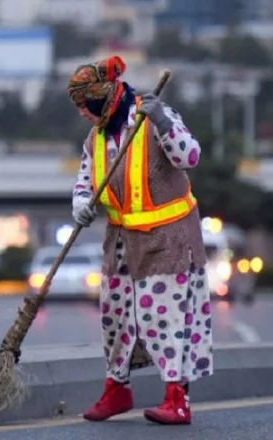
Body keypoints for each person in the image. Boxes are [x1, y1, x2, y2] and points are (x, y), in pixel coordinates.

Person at [67, 55, 213, 425]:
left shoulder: (151, 118)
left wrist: (163, 120)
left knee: (163, 317)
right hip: (121, 241)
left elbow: (190, 155)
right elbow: (86, 181)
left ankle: (176, 397)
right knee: (115, 317)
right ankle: (117, 389)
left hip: (169, 238)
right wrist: (82, 204)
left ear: (103, 98)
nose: (82, 113)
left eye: (86, 105)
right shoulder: (96, 137)